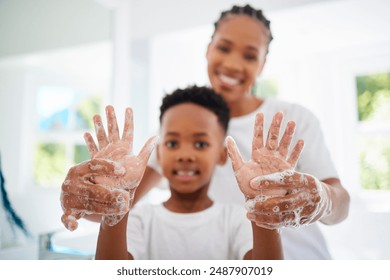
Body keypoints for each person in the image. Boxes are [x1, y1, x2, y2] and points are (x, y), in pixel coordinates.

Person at [61, 4, 350, 259]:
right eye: (224, 48)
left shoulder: (292, 119)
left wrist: (322, 199)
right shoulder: (180, 130)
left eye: (250, 56)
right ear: (208, 49)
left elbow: (340, 205)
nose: (233, 64)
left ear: (262, 64)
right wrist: (79, 198)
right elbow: (114, 204)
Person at [64, 85, 297, 259]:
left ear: (222, 154)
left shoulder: (237, 220)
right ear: (160, 154)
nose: (185, 155)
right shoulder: (139, 220)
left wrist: (266, 214)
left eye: (201, 144)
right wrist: (115, 210)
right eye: (173, 144)